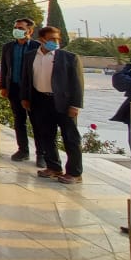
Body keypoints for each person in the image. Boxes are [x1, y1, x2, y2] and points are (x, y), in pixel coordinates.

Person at [20, 26, 84, 184]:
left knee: (70, 137)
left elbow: (77, 84)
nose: (55, 42)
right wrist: (25, 98)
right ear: (41, 40)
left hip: (63, 102)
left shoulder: (69, 58)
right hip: (41, 101)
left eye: (57, 39)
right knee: (46, 135)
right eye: (51, 39)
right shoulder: (30, 56)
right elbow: (26, 78)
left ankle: (74, 172)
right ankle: (54, 167)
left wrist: (75, 105)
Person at [0, 18, 43, 166]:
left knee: (37, 122)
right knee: (19, 121)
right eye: (16, 27)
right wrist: (4, 86)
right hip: (14, 88)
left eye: (20, 28)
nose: (17, 30)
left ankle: (41, 154)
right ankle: (23, 150)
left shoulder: (37, 47)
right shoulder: (9, 47)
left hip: (32, 90)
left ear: (30, 30)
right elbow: (5, 68)